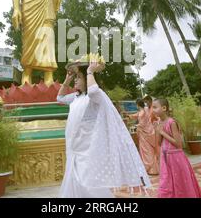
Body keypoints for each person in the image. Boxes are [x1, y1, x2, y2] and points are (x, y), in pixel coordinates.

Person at [57, 58, 150, 197]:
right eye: (75, 78)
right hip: (75, 149)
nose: (76, 81)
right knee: (77, 183)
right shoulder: (77, 97)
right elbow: (60, 98)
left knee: (89, 185)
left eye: (78, 77)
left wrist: (89, 71)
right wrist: (68, 79)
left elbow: (93, 90)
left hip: (89, 150)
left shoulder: (95, 97)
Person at [153, 98, 201, 198]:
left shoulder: (172, 122)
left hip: (175, 158)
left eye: (155, 107)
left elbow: (178, 144)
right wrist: (157, 130)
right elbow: (159, 143)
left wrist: (162, 132)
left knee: (180, 183)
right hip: (165, 157)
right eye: (152, 108)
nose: (153, 110)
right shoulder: (159, 123)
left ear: (163, 108)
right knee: (166, 182)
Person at [127, 99, 160, 175]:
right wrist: (131, 116)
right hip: (150, 131)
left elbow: (141, 123)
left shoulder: (142, 112)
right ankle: (154, 168)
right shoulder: (146, 109)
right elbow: (138, 114)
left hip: (144, 133)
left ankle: (149, 168)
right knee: (151, 150)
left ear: (137, 105)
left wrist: (136, 126)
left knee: (146, 151)